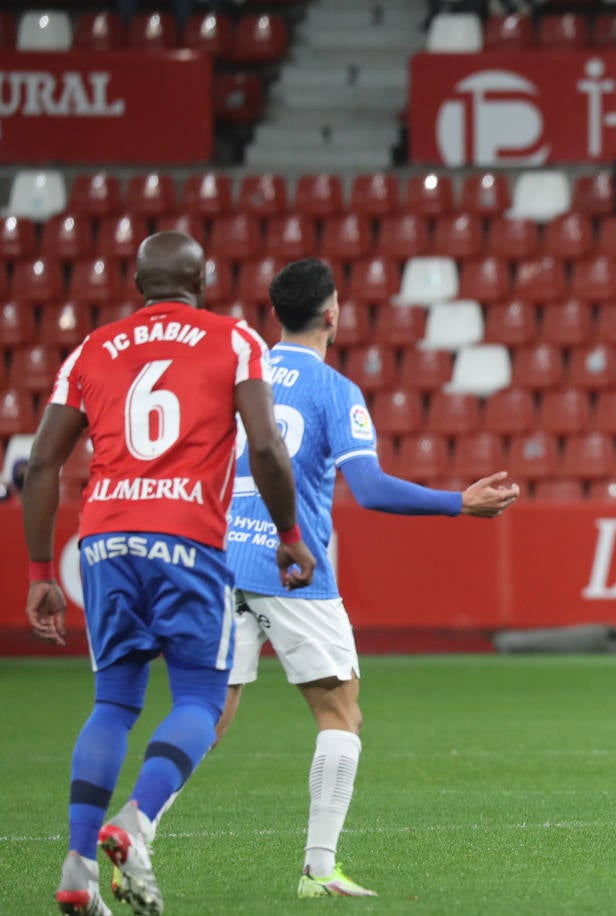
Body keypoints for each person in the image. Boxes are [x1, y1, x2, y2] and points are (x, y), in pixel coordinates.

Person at [142, 259, 518, 898]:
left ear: (276, 313)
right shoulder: (333, 389)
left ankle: (135, 828)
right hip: (292, 567)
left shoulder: (238, 374)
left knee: (210, 713)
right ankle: (318, 868)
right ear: (333, 313)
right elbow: (368, 489)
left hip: (216, 558)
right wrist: (460, 503)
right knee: (340, 713)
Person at [24, 231, 314, 916]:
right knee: (199, 700)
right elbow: (267, 446)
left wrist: (40, 568)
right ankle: (131, 821)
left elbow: (41, 464)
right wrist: (289, 534)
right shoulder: (234, 340)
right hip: (186, 538)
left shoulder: (91, 348)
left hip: (103, 540)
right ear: (203, 279)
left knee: (114, 703)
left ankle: (76, 868)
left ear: (137, 283)